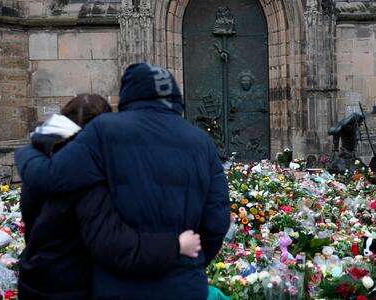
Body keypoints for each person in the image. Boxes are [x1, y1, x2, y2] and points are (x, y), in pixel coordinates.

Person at [15, 64, 230, 300]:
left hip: (118, 285)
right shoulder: (202, 141)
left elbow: (49, 176)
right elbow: (217, 220)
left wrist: (28, 149)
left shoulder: (105, 130)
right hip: (185, 284)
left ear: (128, 93)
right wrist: (189, 259)